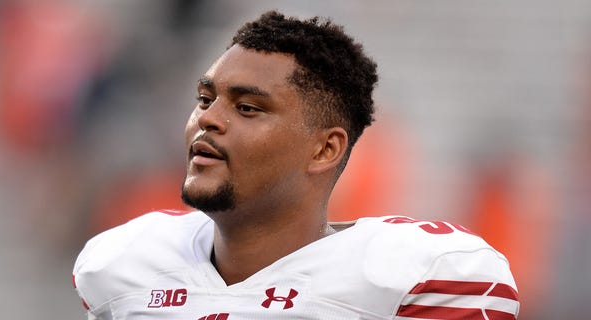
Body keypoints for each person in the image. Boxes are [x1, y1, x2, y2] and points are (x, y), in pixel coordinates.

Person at [72, 11, 519, 320]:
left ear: (325, 150)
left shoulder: (421, 277)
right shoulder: (125, 263)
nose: (207, 118)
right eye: (206, 100)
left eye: (247, 108)